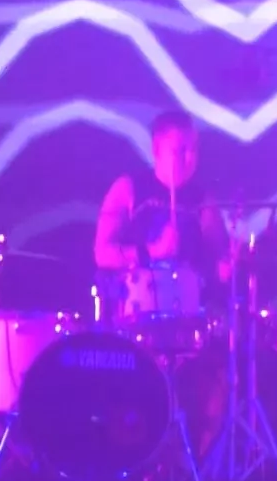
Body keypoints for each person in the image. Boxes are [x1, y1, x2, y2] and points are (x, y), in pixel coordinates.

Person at [92, 110, 231, 460]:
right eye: (180, 149)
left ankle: (199, 468)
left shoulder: (203, 201)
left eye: (194, 149)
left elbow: (218, 262)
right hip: (135, 318)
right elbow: (101, 252)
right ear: (156, 149)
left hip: (188, 320)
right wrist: (148, 251)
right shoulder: (128, 188)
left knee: (218, 381)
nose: (189, 158)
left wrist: (230, 265)